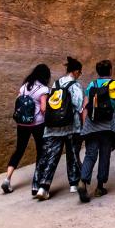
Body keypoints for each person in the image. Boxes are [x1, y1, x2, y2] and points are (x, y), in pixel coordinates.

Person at [32, 56, 84, 200]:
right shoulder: (75, 85)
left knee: (50, 157)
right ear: (76, 71)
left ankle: (43, 187)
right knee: (73, 154)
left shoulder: (55, 84)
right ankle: (73, 184)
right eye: (80, 73)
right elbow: (79, 105)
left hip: (53, 126)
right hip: (72, 126)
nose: (79, 75)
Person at [78, 59, 115, 202]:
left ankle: (83, 182)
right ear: (110, 70)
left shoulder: (92, 85)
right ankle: (99, 187)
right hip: (107, 125)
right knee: (105, 154)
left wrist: (84, 125)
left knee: (90, 154)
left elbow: (85, 106)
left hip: (91, 125)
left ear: (98, 72)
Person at [3, 64, 51, 193]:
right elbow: (43, 108)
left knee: (19, 150)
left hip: (22, 124)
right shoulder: (43, 89)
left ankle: (7, 179)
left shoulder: (24, 87)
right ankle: (38, 179)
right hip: (37, 124)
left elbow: (18, 101)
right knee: (40, 150)